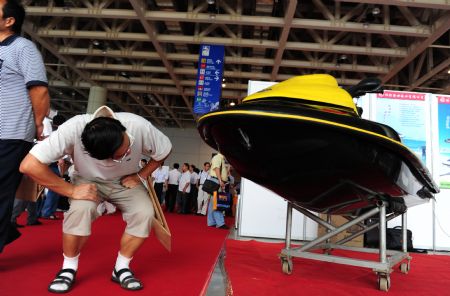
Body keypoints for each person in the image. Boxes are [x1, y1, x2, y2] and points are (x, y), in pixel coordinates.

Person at [20, 106, 172, 293]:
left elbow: (164, 150)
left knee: (145, 213)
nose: (125, 155)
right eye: (118, 157)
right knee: (80, 212)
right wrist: (71, 190)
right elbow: (29, 165)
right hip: (87, 179)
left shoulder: (137, 125)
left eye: (127, 149)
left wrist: (141, 175)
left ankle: (121, 267)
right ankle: (69, 267)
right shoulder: (73, 129)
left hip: (125, 180)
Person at [0, 0, 50, 253]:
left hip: (10, 132)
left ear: (9, 21)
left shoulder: (22, 48)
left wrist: (38, 124)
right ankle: (6, 232)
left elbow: (39, 88)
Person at [207, 153, 229, 229]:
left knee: (213, 203)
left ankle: (211, 222)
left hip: (216, 181)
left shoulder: (220, 158)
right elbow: (216, 169)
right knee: (217, 202)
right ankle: (220, 223)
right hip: (217, 181)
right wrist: (220, 181)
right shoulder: (217, 157)